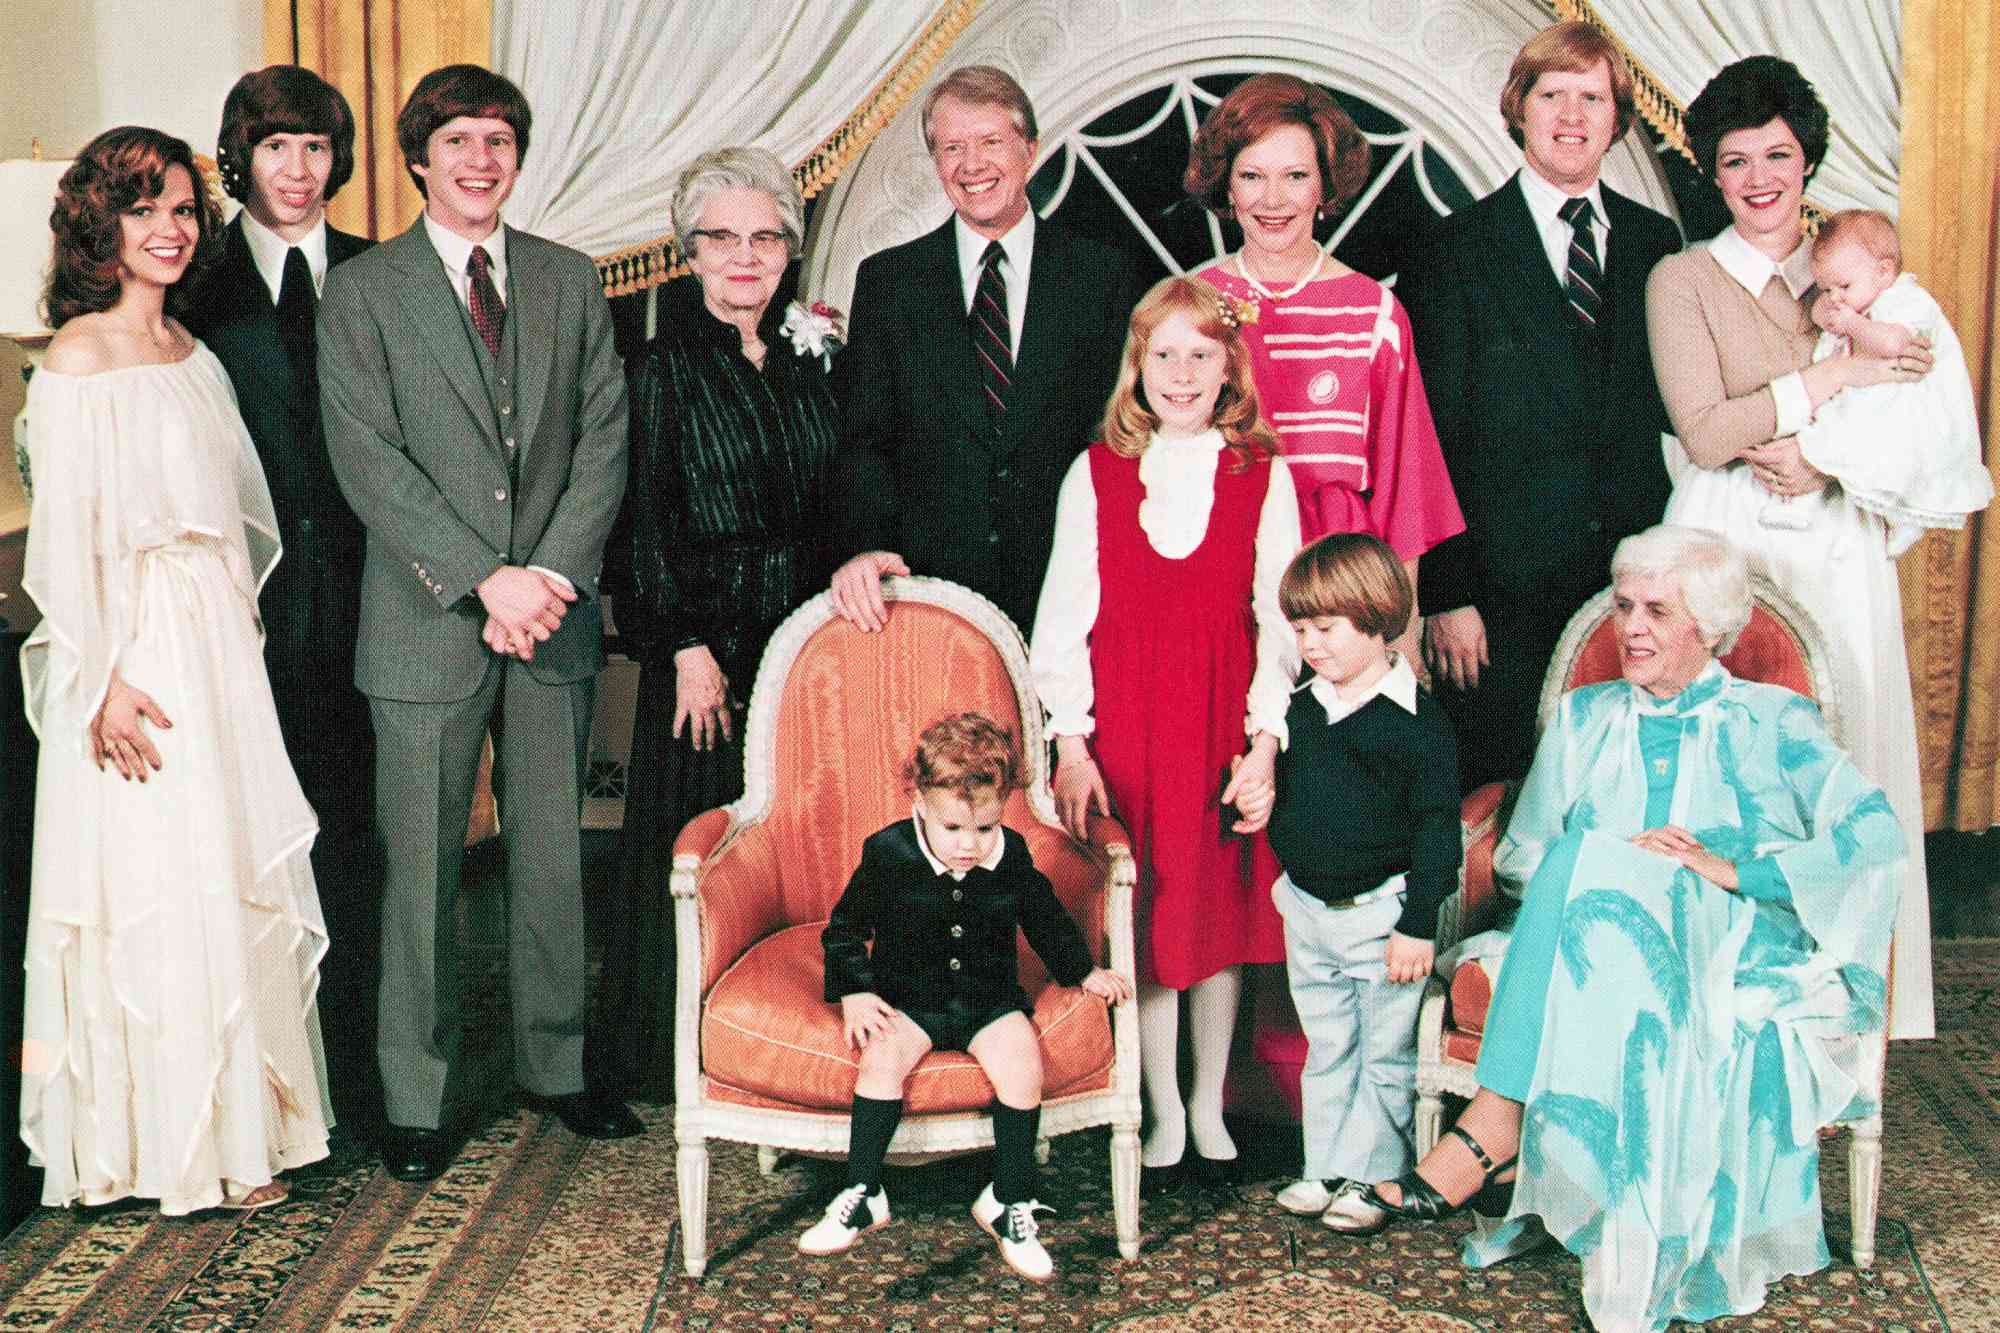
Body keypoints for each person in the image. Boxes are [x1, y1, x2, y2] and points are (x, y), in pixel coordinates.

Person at [1352, 526, 1904, 1333]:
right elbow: (1521, 861)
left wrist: (1726, 869)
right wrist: (1617, 873)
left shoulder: (1773, 721)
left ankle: (1492, 1125)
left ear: (1709, 628)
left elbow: (1874, 833)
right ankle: (1525, 1145)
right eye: (1622, 605)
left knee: (1609, 862)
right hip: (1587, 943)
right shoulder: (1585, 717)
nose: (1632, 627)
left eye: (1657, 610)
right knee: (1587, 858)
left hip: (1730, 943)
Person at [318, 64, 636, 1182]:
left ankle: (558, 1069)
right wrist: (480, 579)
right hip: (422, 624)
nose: (479, 160)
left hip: (551, 617)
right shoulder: (362, 292)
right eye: (457, 140)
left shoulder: (567, 278)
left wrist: (545, 574)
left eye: (498, 140)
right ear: (418, 157)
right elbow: (367, 457)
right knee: (422, 875)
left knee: (552, 860)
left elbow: (603, 435)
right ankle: (416, 1096)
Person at [20, 126, 331, 1213]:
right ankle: (160, 1146)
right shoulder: (76, 360)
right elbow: (67, 544)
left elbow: (237, 523)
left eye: (184, 210)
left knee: (229, 864)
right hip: (132, 643)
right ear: (98, 227)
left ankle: (249, 1131)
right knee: (158, 875)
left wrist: (235, 645)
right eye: (143, 208)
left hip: (213, 641)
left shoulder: (195, 356)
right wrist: (99, 679)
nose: (168, 229)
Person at [1646, 55, 1935, 1038]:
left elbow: (1918, 393)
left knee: (1835, 768)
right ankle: (1712, 1026)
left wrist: (1822, 461)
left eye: (1776, 154)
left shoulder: (1866, 269)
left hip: (1833, 545)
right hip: (1722, 541)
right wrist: (1833, 381)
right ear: (1711, 175)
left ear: (1806, 158)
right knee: (1723, 773)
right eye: (1734, 161)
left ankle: (1840, 1034)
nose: (1759, 178)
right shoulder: (1681, 278)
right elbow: (1705, 432)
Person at [1029, 276, 1300, 1190]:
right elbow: (1062, 617)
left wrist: (1265, 740)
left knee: (1216, 911)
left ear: (1229, 368)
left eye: (1200, 354)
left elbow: (1281, 616)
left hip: (1222, 721)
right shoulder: (1094, 471)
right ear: (1136, 369)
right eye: (1162, 355)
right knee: (1142, 913)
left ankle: (1211, 1097)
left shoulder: (1261, 471)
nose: (1181, 373)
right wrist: (1072, 740)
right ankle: (1159, 1103)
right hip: (1131, 725)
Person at [585, 146, 840, 1098]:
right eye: (723, 237)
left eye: (766, 236)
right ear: (687, 252)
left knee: (797, 839)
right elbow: (640, 516)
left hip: (805, 639)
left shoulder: (817, 354)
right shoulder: (656, 366)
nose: (745, 255)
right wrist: (684, 645)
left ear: (789, 249)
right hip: (706, 643)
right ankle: (674, 1050)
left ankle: (782, 1038)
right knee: (703, 845)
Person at [1396, 22, 1684, 792]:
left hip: (1629, 572)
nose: (1571, 115)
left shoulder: (1658, 241)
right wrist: (1446, 593)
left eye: (1591, 97)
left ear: (1618, 119)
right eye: (1552, 94)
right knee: (1508, 793)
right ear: (1519, 109)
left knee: (1627, 787)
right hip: (1499, 587)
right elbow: (1432, 434)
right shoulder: (1453, 246)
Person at [185, 65, 380, 1117]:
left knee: (363, 830)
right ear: (241, 157)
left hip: (374, 600)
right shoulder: (191, 279)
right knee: (257, 833)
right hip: (240, 606)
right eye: (274, 147)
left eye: (314, 147)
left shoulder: (383, 272)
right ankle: (271, 1068)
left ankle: (360, 1061)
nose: (296, 170)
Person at [799, 712, 1132, 1282]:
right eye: (953, 830)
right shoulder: (888, 853)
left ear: (1003, 808)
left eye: (984, 828)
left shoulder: (1013, 855)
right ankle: (863, 1189)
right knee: (880, 1059)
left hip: (988, 999)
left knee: (1023, 1064)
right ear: (920, 803)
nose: (969, 846)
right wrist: (855, 993)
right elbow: (845, 929)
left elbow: (1045, 918)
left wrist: (1082, 971)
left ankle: (1008, 1200)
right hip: (908, 999)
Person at [827, 65, 1142, 637]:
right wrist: (867, 550)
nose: (972, 165)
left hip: (1071, 589)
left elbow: (1119, 433)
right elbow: (865, 443)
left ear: (1030, 149)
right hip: (926, 594)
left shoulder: (1100, 275)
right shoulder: (889, 283)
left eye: (991, 142)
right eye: (953, 147)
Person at [1184, 72, 1463, 666]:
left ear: (1324, 189)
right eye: (1252, 177)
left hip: (1345, 606)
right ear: (1227, 189)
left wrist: (1400, 649)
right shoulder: (1191, 306)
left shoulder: (1374, 313)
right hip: (1220, 599)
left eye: (1296, 176)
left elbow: (1403, 497)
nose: (1273, 200)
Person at [1241, 533, 1458, 1233]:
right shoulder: (1300, 711)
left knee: (1384, 1053)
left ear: (1377, 617)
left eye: (1326, 628)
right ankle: (1326, 1164)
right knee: (1329, 1042)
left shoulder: (1417, 724)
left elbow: (1436, 833)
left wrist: (1418, 921)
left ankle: (1374, 1175)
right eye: (1300, 628)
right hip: (1307, 908)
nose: (1310, 643)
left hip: (1383, 918)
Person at [1757, 208, 1989, 550]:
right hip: (1864, 392)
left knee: (1883, 451)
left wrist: (1851, 323)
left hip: (1902, 402)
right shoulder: (1854, 298)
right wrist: (1831, 308)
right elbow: (1820, 311)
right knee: (1833, 438)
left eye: (1844, 286)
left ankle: (1904, 516)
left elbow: (1895, 343)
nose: (1834, 298)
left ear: (1884, 271)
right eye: (1826, 288)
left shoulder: (1907, 300)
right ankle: (1809, 506)